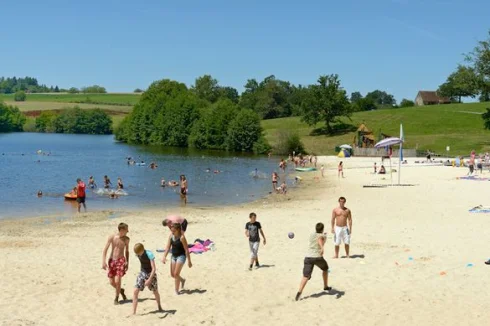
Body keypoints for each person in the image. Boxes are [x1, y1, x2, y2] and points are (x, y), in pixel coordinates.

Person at [295, 222, 331, 301]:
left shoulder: (311, 235)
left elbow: (317, 236)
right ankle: (325, 286)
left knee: (306, 276)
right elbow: (320, 240)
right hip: (317, 257)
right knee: (325, 269)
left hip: (308, 257)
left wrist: (323, 234)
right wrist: (322, 248)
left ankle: (299, 292)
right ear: (322, 229)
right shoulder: (322, 236)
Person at [102, 223, 130, 305]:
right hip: (112, 261)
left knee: (118, 281)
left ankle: (116, 298)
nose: (128, 231)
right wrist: (103, 261)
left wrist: (127, 262)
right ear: (121, 230)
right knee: (111, 282)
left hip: (121, 260)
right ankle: (120, 290)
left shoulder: (126, 239)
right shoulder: (112, 237)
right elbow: (105, 250)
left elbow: (127, 251)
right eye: (126, 230)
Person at [162, 223, 192, 295]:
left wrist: (189, 261)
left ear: (178, 230)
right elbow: (167, 247)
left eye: (173, 231)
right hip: (173, 256)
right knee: (173, 275)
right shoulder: (171, 236)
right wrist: (164, 256)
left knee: (176, 274)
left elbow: (186, 250)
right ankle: (182, 280)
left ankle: (176, 290)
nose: (172, 232)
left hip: (181, 256)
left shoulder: (182, 238)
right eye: (171, 231)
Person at [132, 243, 162, 315]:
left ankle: (159, 306)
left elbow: (154, 269)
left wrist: (149, 279)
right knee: (135, 291)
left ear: (142, 250)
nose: (137, 254)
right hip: (142, 272)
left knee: (155, 292)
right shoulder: (138, 254)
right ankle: (133, 312)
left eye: (138, 253)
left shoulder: (149, 254)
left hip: (151, 274)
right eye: (136, 253)